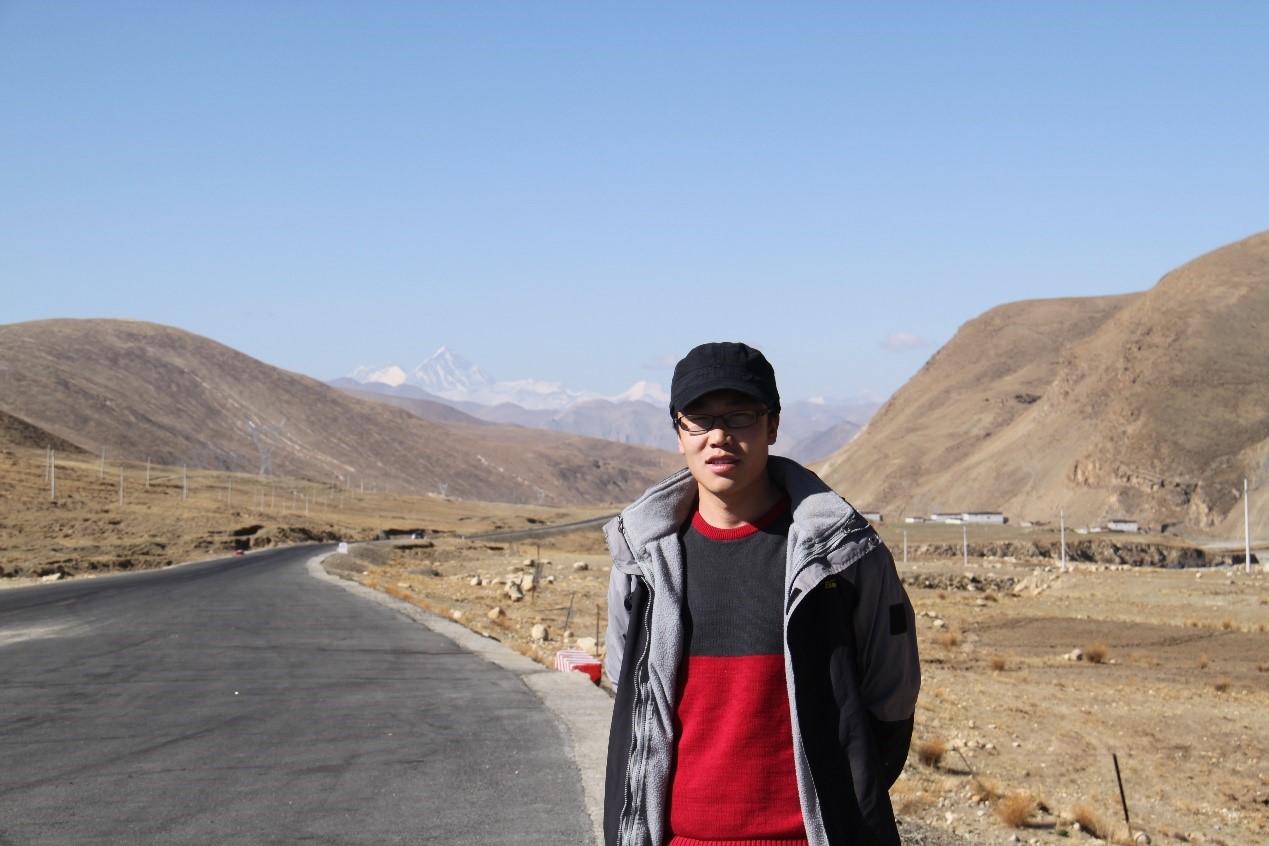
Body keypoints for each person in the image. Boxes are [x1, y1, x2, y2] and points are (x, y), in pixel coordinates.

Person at [602, 341, 920, 846]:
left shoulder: (843, 557)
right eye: (699, 420)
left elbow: (890, 704)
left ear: (772, 425)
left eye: (740, 415)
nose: (719, 436)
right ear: (679, 434)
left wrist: (846, 803)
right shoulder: (643, 563)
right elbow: (630, 691)